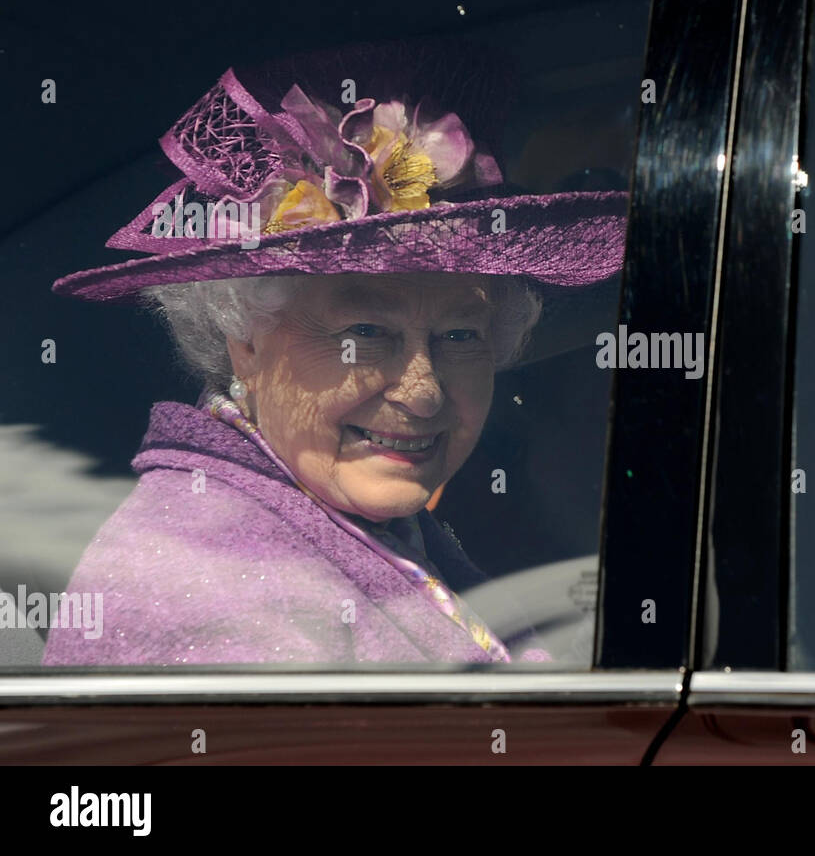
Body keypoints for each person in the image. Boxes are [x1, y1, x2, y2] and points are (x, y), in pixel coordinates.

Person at [41, 43, 626, 666]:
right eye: (368, 332)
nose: (423, 390)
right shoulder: (212, 585)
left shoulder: (344, 520)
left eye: (460, 336)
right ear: (244, 340)